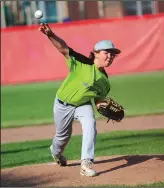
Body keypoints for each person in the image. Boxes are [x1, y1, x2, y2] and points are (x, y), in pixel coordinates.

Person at [38, 23, 121, 177]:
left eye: (113, 54)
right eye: (106, 53)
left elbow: (98, 100)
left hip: (83, 105)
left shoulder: (105, 81)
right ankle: (56, 153)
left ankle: (86, 163)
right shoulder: (81, 63)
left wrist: (103, 105)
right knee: (63, 137)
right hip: (63, 104)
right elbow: (62, 48)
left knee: (90, 125)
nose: (110, 57)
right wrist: (50, 34)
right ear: (95, 53)